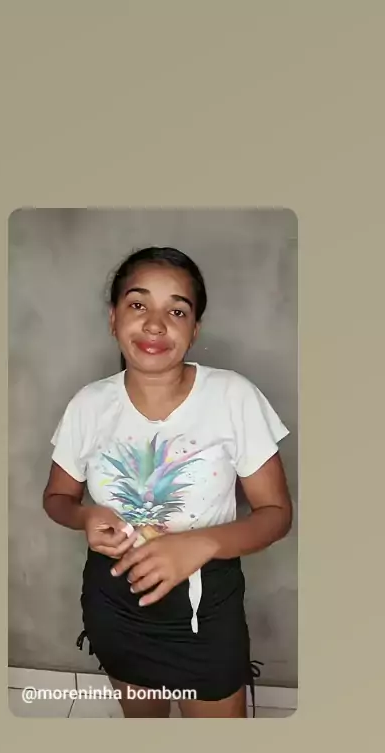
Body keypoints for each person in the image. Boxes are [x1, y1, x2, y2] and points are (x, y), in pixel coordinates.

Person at [43, 246, 293, 718]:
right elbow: (57, 498)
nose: (155, 324)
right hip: (115, 601)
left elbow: (276, 515)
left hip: (206, 609)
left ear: (194, 329)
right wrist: (84, 515)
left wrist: (199, 544)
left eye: (176, 311)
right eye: (138, 304)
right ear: (114, 317)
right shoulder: (88, 405)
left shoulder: (233, 396)